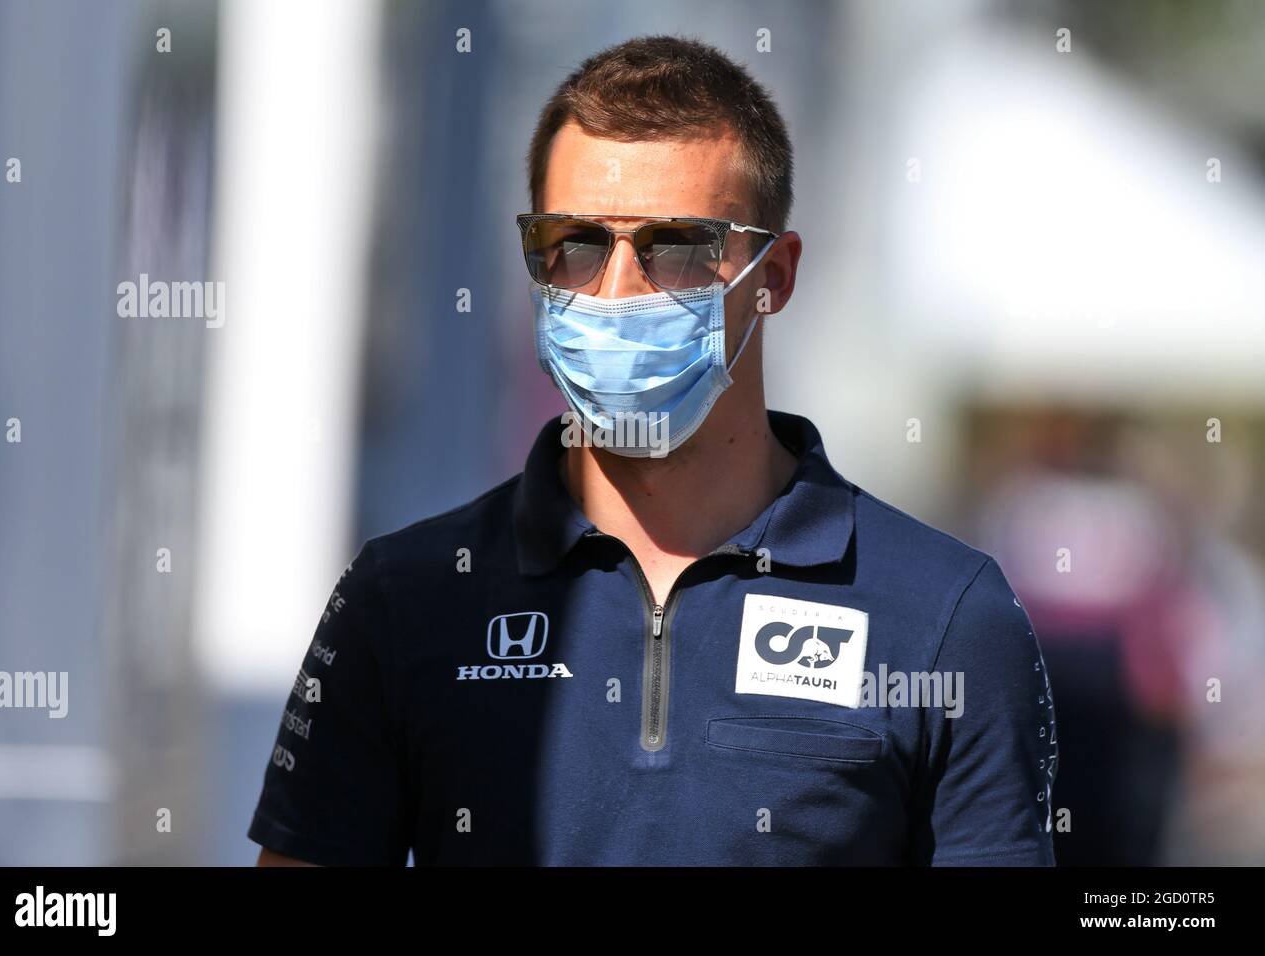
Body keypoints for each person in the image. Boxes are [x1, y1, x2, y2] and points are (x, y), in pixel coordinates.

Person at [248, 35, 1057, 866]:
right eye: (576, 243)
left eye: (676, 247)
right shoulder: (405, 598)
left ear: (773, 276)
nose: (617, 290)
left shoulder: (946, 617)